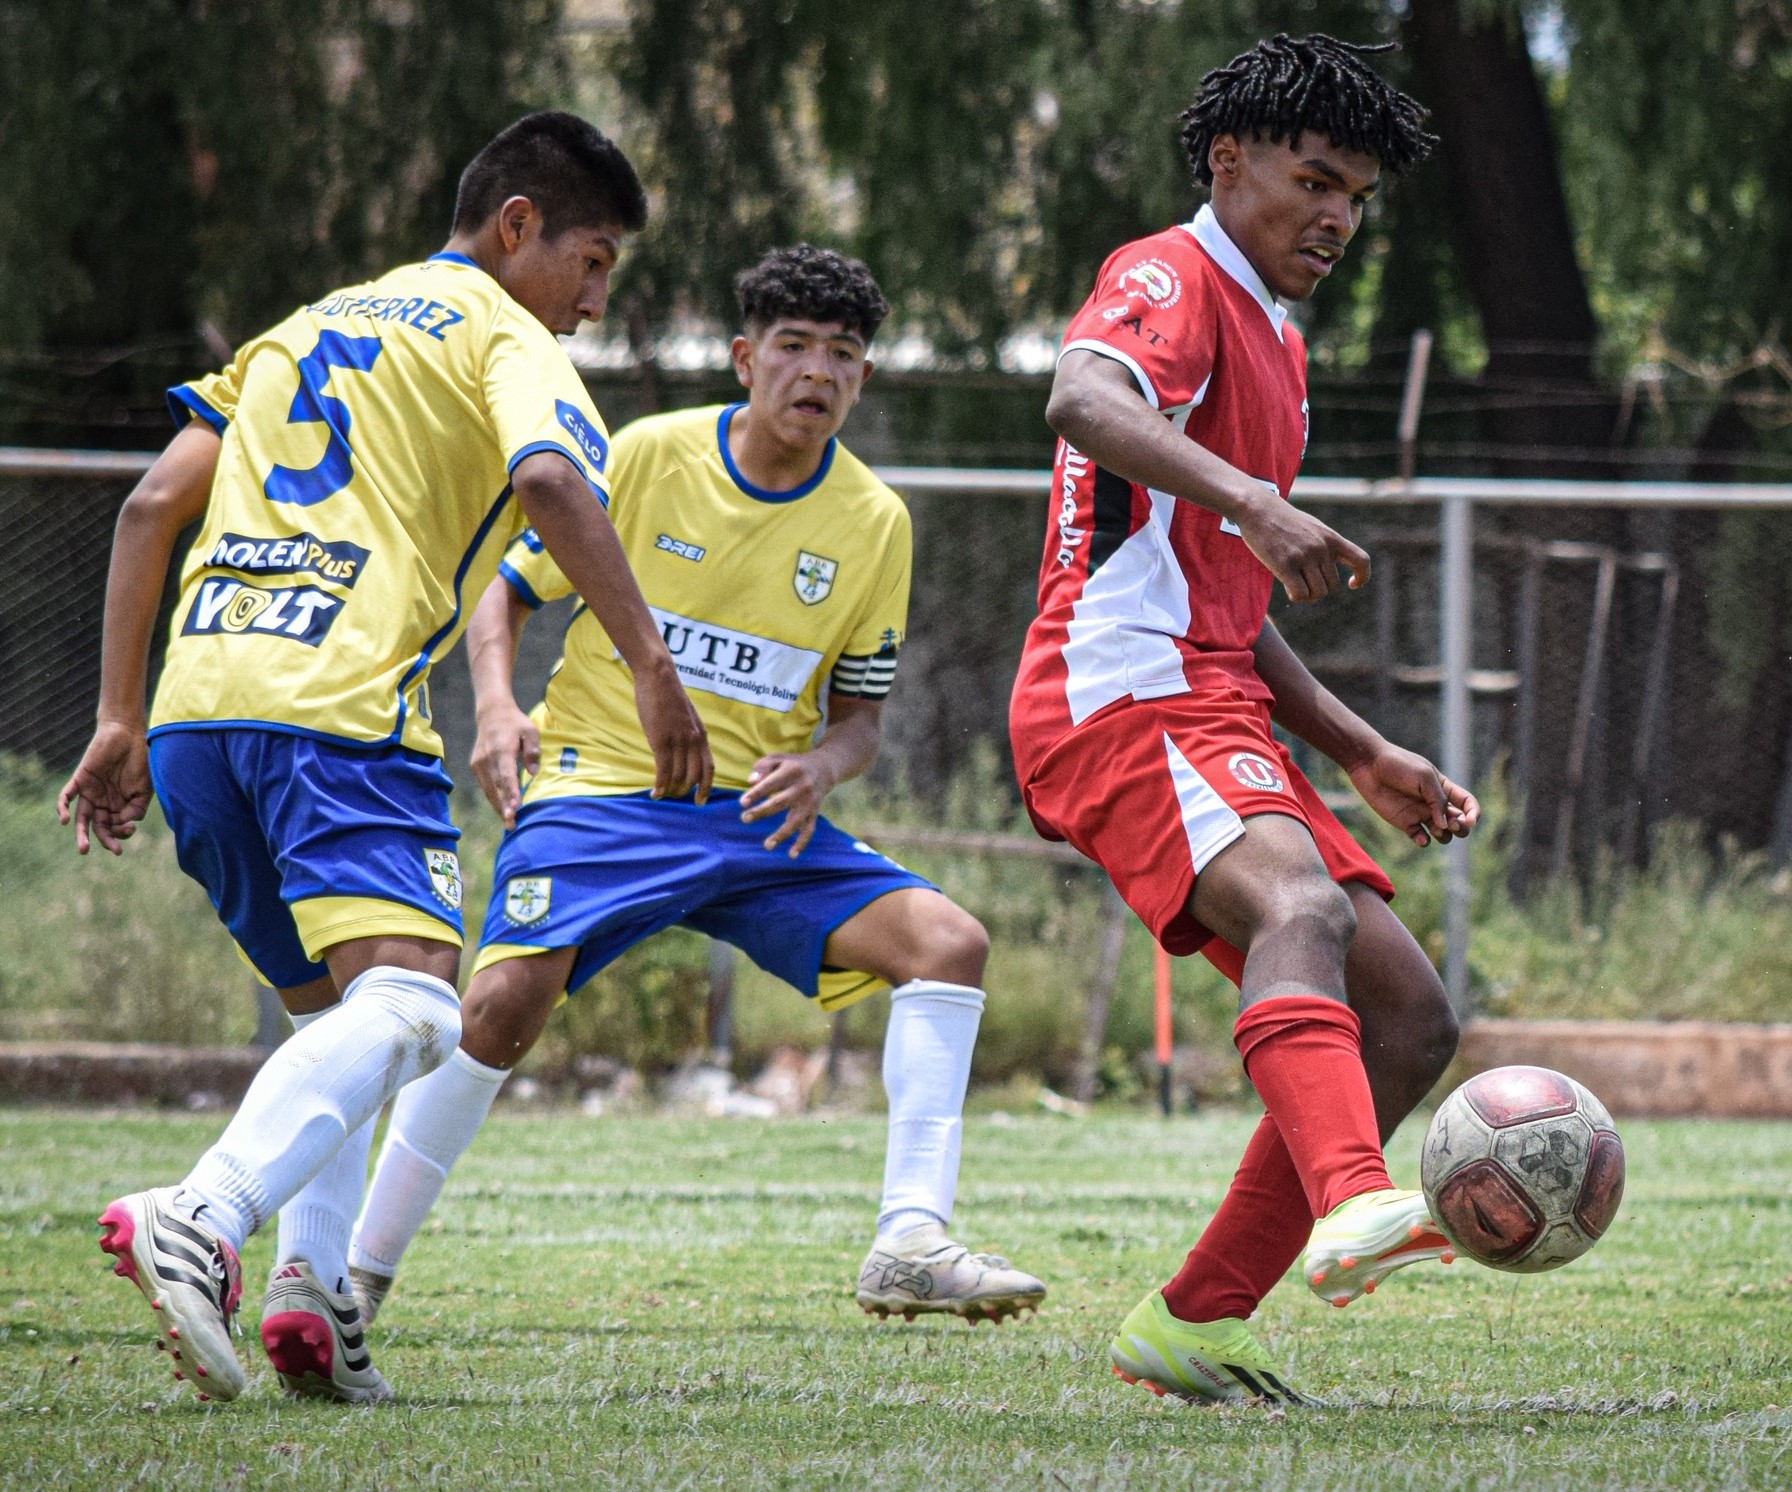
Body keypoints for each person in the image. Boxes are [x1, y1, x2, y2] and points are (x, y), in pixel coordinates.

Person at [61, 112, 709, 1404]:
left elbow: (149, 504)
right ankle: (204, 1214)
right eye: (590, 264)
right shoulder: (503, 338)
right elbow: (553, 484)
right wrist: (647, 659)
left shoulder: (304, 325)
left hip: (198, 712)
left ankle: (312, 1304)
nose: (589, 306)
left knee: (338, 1016)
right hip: (339, 704)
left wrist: (118, 716)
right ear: (517, 227)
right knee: (416, 1005)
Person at [343, 245, 1046, 1328]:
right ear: (742, 355)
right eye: (794, 345)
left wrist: (817, 765)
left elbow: (859, 725)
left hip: (752, 825)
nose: (818, 370)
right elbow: (503, 594)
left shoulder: (874, 523)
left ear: (861, 379)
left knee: (948, 941)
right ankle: (356, 1278)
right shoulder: (647, 455)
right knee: (497, 1005)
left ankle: (908, 1239)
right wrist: (493, 707)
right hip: (599, 795)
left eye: (844, 354)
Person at [1009, 34, 1473, 1406]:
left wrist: (1358, 747)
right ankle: (1352, 1201)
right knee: (1302, 912)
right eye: (1314, 180)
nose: (1336, 217)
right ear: (1229, 163)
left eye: (1358, 199)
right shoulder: (1170, 274)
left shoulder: (1275, 333)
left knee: (1409, 1015)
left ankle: (1192, 1323)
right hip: (1114, 693)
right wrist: (1260, 502)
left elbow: (1220, 586)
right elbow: (1082, 398)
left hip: (1207, 695)